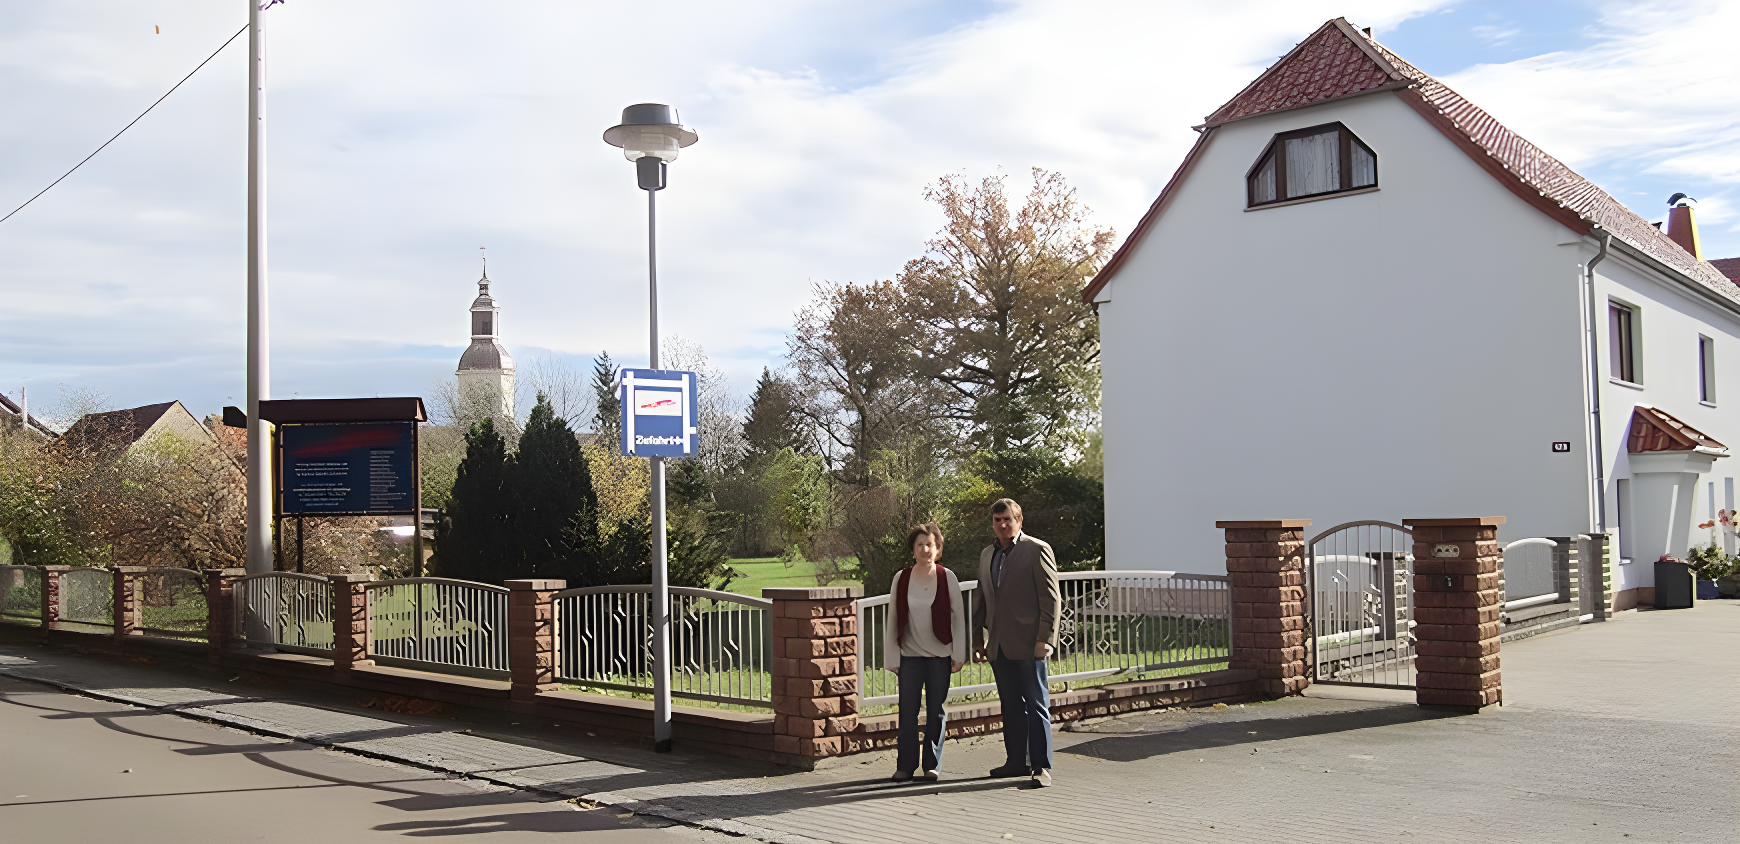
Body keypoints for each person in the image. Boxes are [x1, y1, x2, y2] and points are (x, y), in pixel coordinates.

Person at [972, 498, 1061, 788]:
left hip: (1029, 643)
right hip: (998, 645)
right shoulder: (987, 554)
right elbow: (981, 600)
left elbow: (1051, 599)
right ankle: (1015, 762)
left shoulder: (1037, 550)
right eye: (997, 520)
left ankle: (1041, 766)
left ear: (1019, 521)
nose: (1002, 524)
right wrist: (977, 639)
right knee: (1010, 705)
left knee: (1036, 704)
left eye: (1008, 519)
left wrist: (1045, 639)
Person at [882, 522, 966, 782]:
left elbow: (958, 618)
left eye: (929, 544)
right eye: (919, 545)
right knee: (907, 711)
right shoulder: (902, 578)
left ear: (937, 548)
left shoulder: (947, 577)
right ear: (913, 549)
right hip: (910, 656)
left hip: (940, 655)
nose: (924, 549)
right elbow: (893, 617)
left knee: (935, 711)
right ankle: (905, 766)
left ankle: (932, 764)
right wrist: (892, 656)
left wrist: (958, 653)